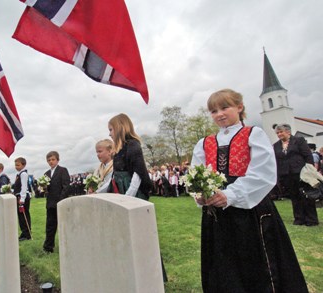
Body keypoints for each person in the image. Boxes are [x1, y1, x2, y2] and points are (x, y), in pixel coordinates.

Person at [191, 89, 308, 293]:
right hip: (217, 214)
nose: (219, 114)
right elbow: (195, 174)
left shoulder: (253, 134)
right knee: (222, 261)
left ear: (239, 107)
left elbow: (263, 173)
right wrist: (200, 194)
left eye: (224, 107)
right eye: (213, 110)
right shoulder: (204, 143)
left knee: (254, 260)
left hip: (250, 209)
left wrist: (230, 195)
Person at [107, 113, 167, 282]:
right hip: (121, 192)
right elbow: (115, 175)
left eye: (111, 129)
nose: (109, 133)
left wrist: (128, 198)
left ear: (119, 127)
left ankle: (153, 275)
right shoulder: (118, 150)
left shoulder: (133, 145)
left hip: (132, 193)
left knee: (142, 235)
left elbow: (138, 174)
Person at [273, 124, 318, 226]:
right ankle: (299, 218)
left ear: (288, 132)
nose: (279, 134)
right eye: (277, 133)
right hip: (286, 175)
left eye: (281, 132)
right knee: (294, 197)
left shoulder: (299, 141)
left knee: (306, 195)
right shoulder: (276, 146)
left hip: (301, 173)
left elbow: (308, 155)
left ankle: (311, 219)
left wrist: (309, 169)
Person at [42, 151, 70, 253]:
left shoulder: (63, 170)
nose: (51, 162)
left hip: (60, 201)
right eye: (49, 160)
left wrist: (61, 200)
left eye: (53, 159)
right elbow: (46, 189)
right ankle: (48, 247)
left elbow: (66, 187)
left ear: (58, 160)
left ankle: (67, 245)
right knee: (50, 225)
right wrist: (43, 188)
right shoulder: (46, 174)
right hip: (50, 203)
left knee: (63, 225)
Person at [13, 157, 32, 241]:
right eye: (15, 165)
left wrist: (22, 198)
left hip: (22, 196)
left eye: (18, 165)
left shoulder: (23, 174)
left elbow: (24, 187)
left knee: (24, 215)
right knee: (20, 216)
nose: (16, 167)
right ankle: (24, 233)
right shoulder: (19, 174)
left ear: (23, 165)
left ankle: (27, 234)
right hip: (18, 196)